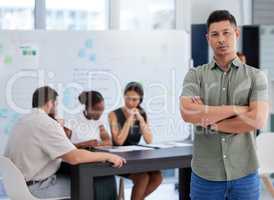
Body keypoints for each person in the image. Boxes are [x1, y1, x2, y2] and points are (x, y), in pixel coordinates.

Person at [180, 10, 269, 200]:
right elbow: (188, 112)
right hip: (205, 176)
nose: (221, 39)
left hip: (245, 174)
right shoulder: (195, 75)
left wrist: (212, 122)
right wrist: (238, 109)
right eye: (215, 34)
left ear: (236, 33)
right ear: (208, 38)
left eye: (226, 32)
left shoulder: (256, 76)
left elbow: (257, 120)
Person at [4, 86, 126, 199]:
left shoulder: (23, 120)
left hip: (16, 185)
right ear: (50, 103)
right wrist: (108, 156)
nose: (56, 108)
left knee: (87, 179)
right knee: (101, 184)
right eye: (56, 104)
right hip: (38, 187)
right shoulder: (46, 123)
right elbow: (74, 157)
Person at [108, 82, 162, 200]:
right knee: (143, 178)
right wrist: (129, 120)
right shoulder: (113, 115)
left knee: (157, 177)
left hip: (136, 157)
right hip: (119, 158)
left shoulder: (142, 114)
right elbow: (118, 142)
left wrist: (141, 120)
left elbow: (149, 140)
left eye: (135, 100)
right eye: (128, 98)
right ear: (124, 96)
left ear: (140, 100)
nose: (131, 103)